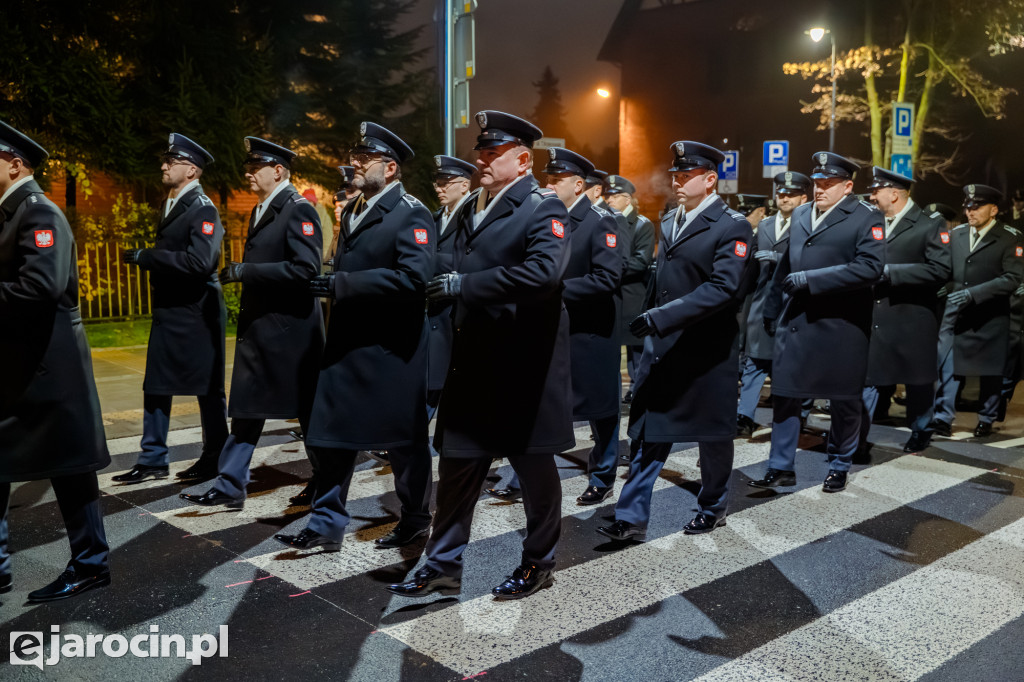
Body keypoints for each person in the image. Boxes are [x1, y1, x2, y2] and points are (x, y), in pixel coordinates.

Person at [387, 111, 572, 600]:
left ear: (523, 159)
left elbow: (542, 275)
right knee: (458, 465)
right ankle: (443, 563)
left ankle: (539, 560)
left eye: (492, 153)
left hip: (521, 365)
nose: (481, 160)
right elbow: (449, 261)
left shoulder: (544, 209)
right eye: (480, 151)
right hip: (473, 361)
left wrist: (467, 285)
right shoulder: (473, 206)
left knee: (533, 469)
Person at [272, 123, 435, 551]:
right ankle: (326, 524)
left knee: (403, 441)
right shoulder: (356, 208)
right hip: (346, 344)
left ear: (392, 167)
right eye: (355, 155)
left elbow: (414, 277)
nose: (355, 163)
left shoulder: (411, 212)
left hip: (390, 346)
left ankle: (417, 516)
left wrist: (344, 284)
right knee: (330, 436)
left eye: (366, 158)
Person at [596, 140, 753, 541]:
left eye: (687, 176)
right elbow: (661, 278)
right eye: (676, 175)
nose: (678, 182)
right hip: (665, 344)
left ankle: (713, 505)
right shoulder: (670, 219)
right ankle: (631, 517)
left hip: (707, 348)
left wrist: (662, 316)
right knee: (650, 430)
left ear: (710, 179)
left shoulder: (731, 224)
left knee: (712, 434)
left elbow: (724, 288)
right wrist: (648, 316)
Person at [180, 137, 324, 509]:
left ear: (277, 171)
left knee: (309, 413)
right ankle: (230, 483)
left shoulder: (298, 209)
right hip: (263, 330)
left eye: (254, 167)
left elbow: (306, 268)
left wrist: (249, 271)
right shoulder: (263, 208)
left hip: (291, 334)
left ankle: (324, 481)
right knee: (246, 410)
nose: (247, 173)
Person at [0, 120, 111, 601]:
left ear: (14, 164)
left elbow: (39, 288)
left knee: (71, 468)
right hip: (19, 365)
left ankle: (91, 564)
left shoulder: (39, 213)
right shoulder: (10, 213)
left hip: (49, 367)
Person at [751, 152, 885, 493]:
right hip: (797, 320)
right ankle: (780, 466)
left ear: (848, 186)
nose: (820, 190)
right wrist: (771, 308)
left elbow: (870, 268)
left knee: (843, 399)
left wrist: (813, 279)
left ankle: (840, 463)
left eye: (828, 184)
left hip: (842, 324)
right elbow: (785, 266)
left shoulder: (866, 216)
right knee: (786, 395)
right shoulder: (799, 213)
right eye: (818, 184)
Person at [114, 133, 228, 484]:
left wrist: (149, 257)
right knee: (157, 384)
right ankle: (152, 459)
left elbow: (202, 261)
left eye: (171, 161)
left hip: (197, 310)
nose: (163, 165)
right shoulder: (174, 201)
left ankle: (215, 456)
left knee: (207, 388)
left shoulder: (203, 208)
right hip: (173, 309)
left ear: (191, 170)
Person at [860, 167, 950, 453]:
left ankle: (921, 429)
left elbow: (940, 269)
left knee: (917, 380)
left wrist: (891, 272)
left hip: (913, 316)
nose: (872, 196)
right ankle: (856, 435)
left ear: (894, 193)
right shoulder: (872, 220)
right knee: (869, 379)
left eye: (876, 191)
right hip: (877, 314)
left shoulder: (929, 224)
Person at [930, 184, 1023, 437]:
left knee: (990, 369)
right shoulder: (958, 234)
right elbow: (946, 270)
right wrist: (942, 287)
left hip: (990, 313)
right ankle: (942, 417)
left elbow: (1014, 278)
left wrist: (974, 293)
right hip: (956, 313)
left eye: (976, 207)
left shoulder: (1010, 237)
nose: (970, 211)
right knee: (948, 365)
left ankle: (987, 417)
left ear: (993, 210)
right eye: (967, 206)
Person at [737, 172, 810, 438]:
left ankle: (796, 416)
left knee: (790, 365)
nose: (784, 198)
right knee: (755, 362)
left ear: (804, 197)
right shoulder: (766, 225)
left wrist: (777, 257)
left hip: (792, 304)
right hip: (760, 303)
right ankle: (744, 416)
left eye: (790, 194)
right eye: (781, 194)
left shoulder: (809, 224)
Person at [427, 154, 476, 422]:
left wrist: (427, 262)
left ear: (465, 185)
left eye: (446, 182)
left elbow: (469, 259)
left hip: (460, 309)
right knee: (435, 378)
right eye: (437, 182)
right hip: (437, 306)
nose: (439, 187)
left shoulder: (472, 216)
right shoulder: (436, 217)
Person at [605, 175, 656, 404]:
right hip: (614, 294)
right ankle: (613, 387)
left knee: (636, 347)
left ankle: (638, 388)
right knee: (613, 346)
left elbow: (640, 261)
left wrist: (610, 272)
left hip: (634, 294)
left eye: (614, 196)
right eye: (607, 195)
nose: (609, 200)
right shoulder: (606, 220)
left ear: (627, 199)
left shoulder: (642, 224)